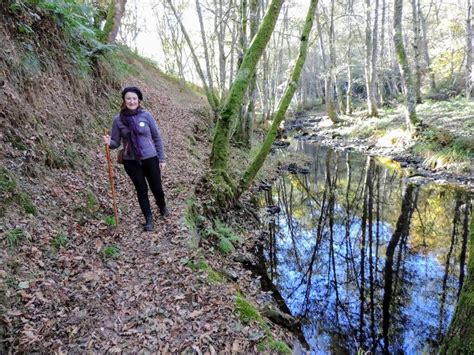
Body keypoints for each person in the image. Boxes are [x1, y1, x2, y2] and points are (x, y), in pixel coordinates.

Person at [103, 86, 169, 231]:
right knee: (141, 189)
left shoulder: (146, 115)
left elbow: (157, 137)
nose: (131, 101)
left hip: (150, 158)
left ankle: (162, 206)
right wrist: (109, 142)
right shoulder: (118, 120)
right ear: (124, 100)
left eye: (134, 98)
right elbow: (115, 143)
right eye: (128, 98)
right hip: (130, 161)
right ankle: (149, 219)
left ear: (138, 100)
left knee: (156, 187)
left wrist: (162, 159)